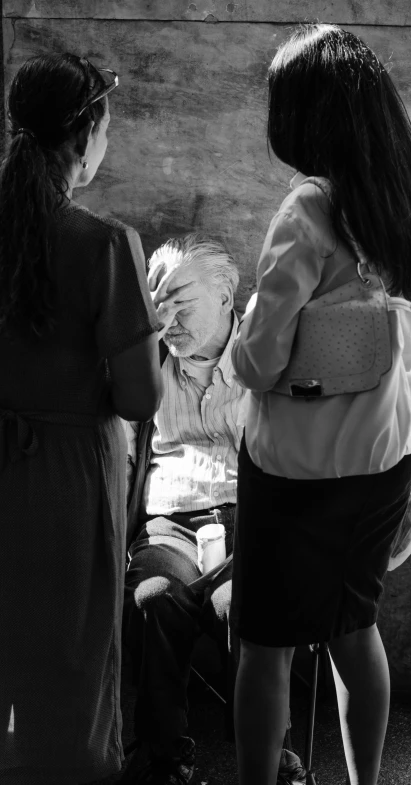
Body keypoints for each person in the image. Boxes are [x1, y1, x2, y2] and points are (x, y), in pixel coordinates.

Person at [0, 53, 163, 784]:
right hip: (62, 479)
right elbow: (139, 398)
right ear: (85, 135)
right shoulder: (106, 246)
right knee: (69, 654)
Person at [230, 23, 411, 785]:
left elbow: (259, 361)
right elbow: (407, 353)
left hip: (294, 473)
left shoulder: (307, 212)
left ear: (307, 115)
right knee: (357, 631)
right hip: (382, 464)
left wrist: (234, 345)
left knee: (265, 644)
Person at [121, 234, 306, 785]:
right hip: (167, 526)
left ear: (226, 296)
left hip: (245, 523)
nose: (168, 317)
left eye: (182, 300)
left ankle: (268, 746)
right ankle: (165, 754)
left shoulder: (263, 353)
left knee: (247, 605)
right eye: (160, 302)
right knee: (155, 597)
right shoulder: (146, 358)